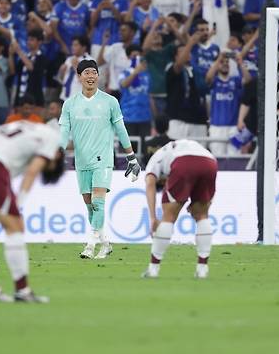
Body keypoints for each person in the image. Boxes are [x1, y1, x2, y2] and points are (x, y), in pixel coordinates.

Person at [0, 121, 65, 302]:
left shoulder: (25, 129)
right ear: (57, 155)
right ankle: (22, 291)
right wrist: (19, 204)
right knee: (15, 226)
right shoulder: (53, 138)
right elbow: (32, 172)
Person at [59, 59, 141, 259]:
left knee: (99, 202)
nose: (91, 76)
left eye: (93, 72)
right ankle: (105, 243)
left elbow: (121, 130)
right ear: (79, 77)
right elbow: (64, 132)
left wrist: (131, 157)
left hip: (103, 159)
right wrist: (58, 154)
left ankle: (90, 245)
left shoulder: (110, 102)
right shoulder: (69, 104)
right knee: (90, 206)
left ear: (98, 76)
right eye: (86, 72)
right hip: (82, 161)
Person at [142, 139, 218, 279]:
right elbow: (208, 198)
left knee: (169, 216)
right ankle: (202, 269)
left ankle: (153, 269)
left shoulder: (153, 161)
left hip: (183, 163)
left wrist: (152, 218)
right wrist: (199, 206)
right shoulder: (174, 148)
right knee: (202, 216)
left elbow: (150, 184)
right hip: (210, 162)